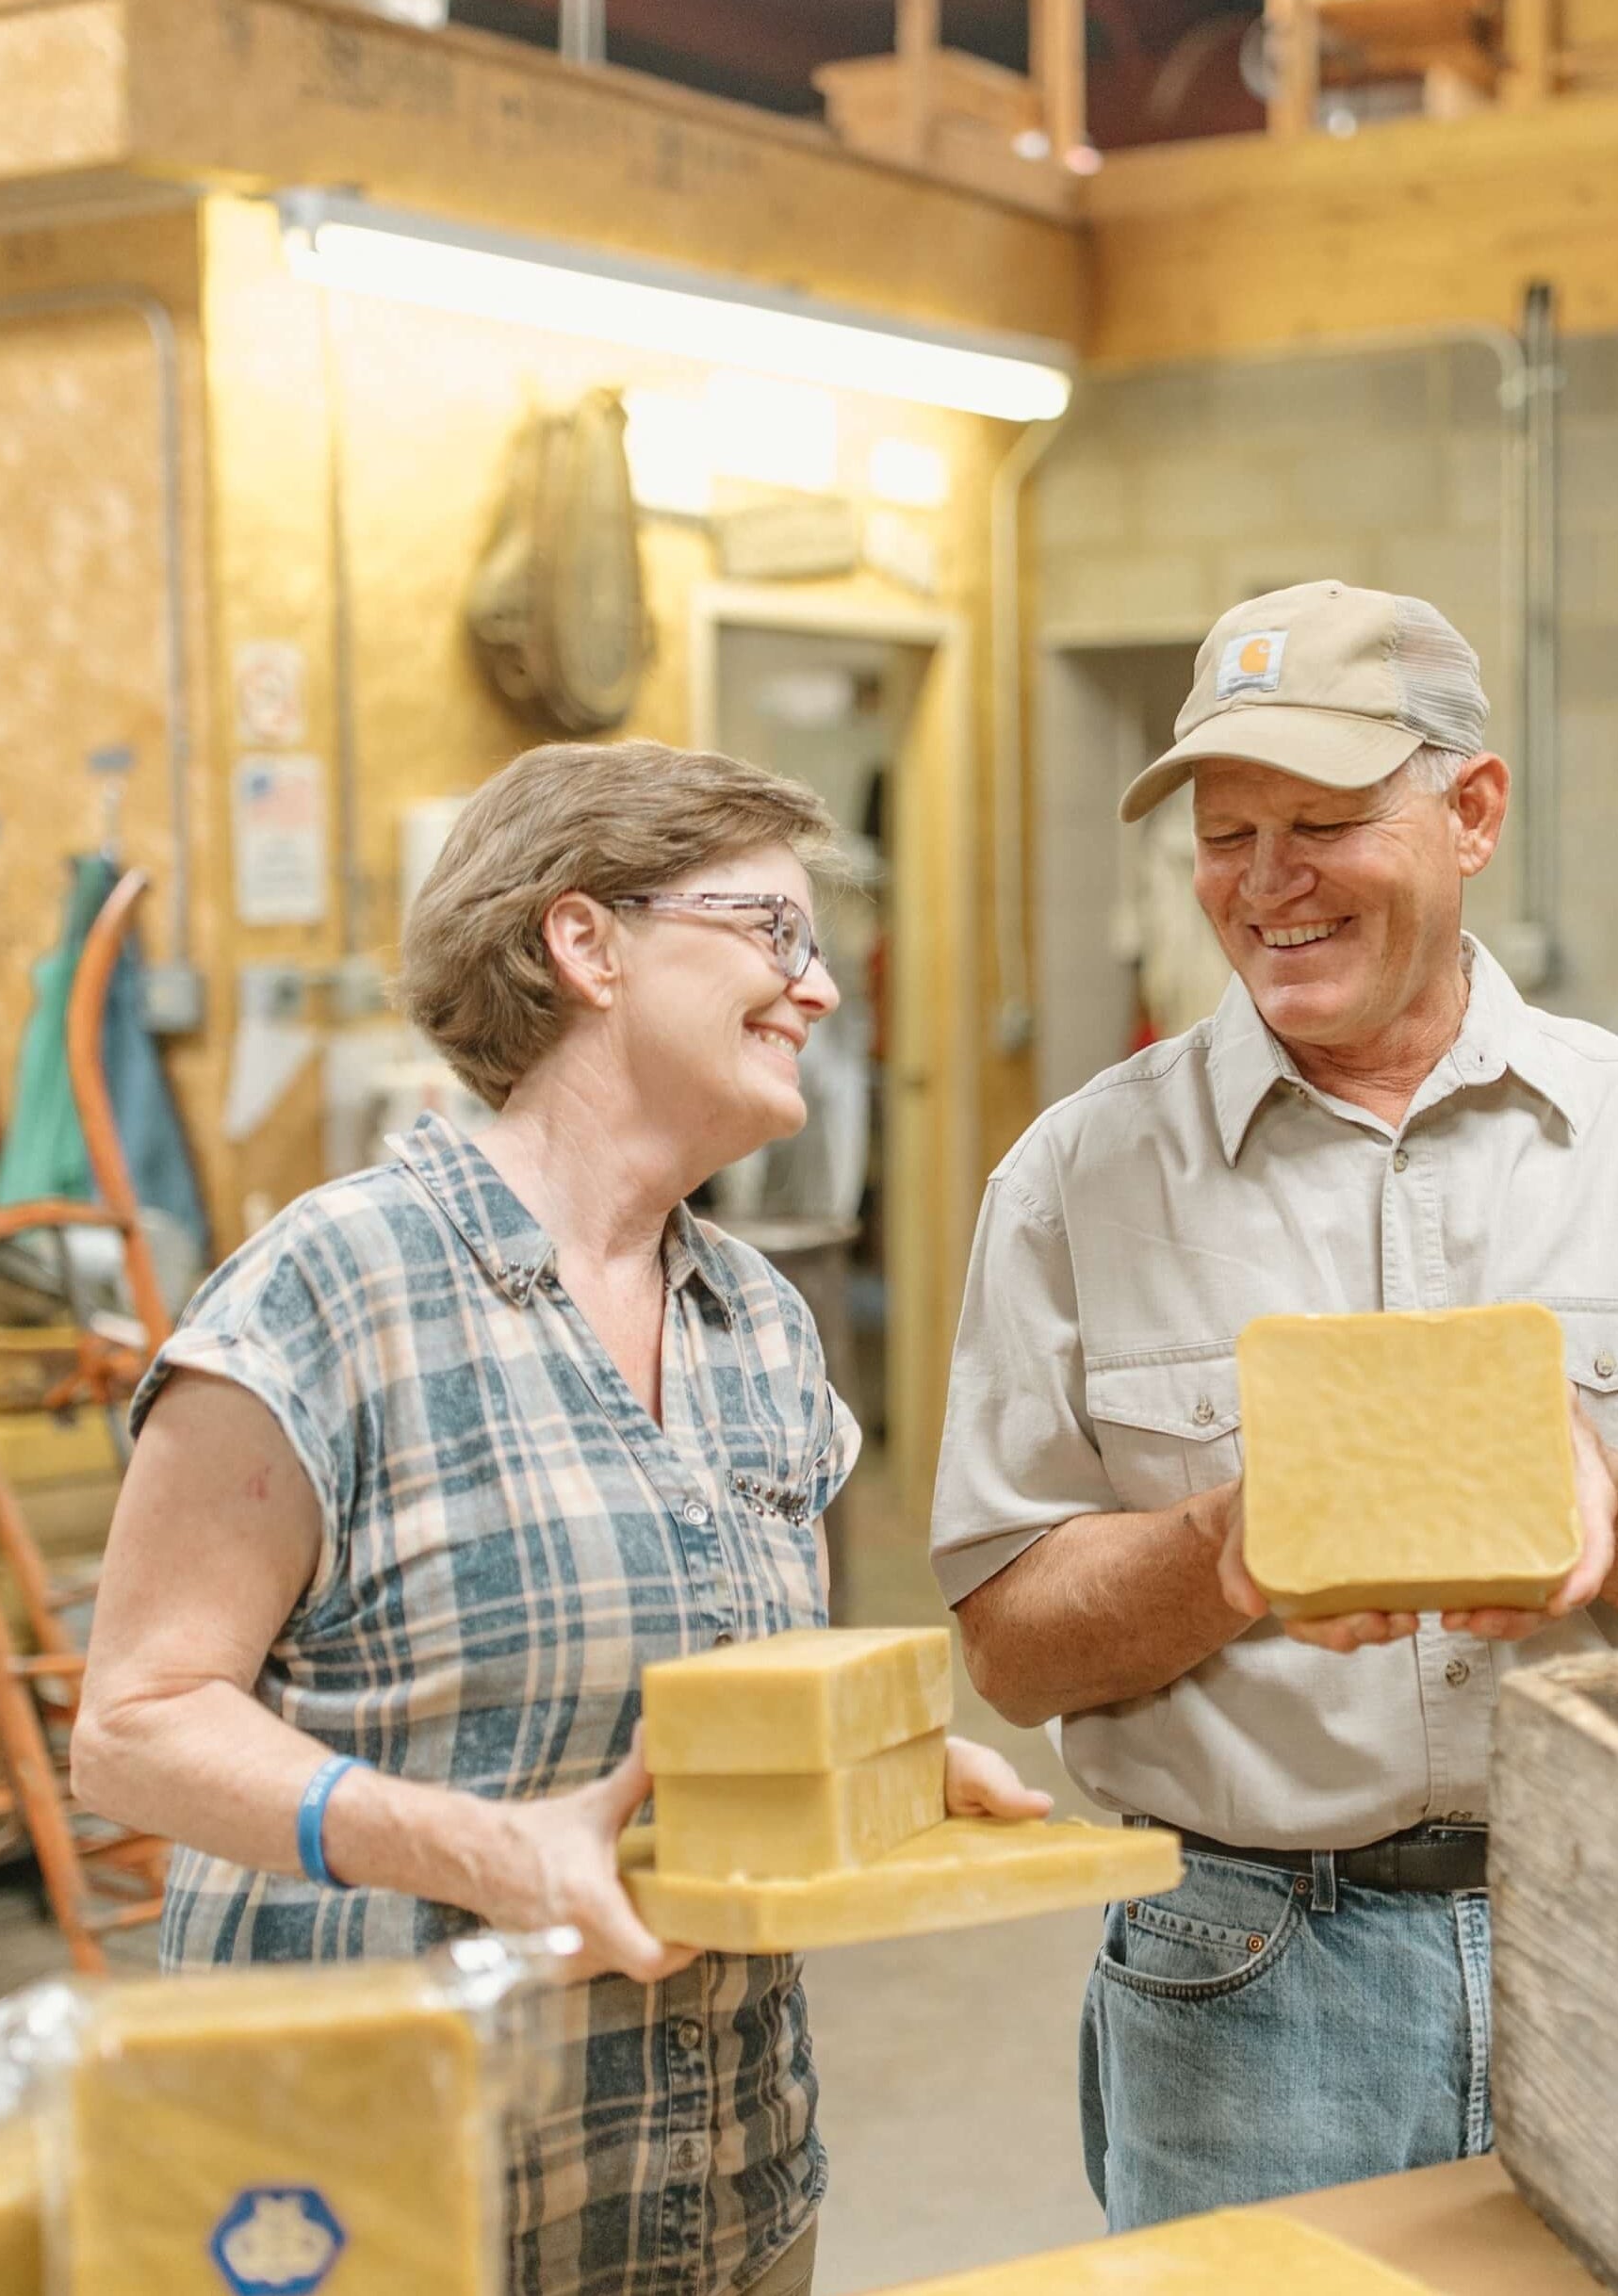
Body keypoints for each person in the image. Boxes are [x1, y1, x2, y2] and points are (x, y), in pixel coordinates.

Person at [929, 582, 1618, 2230]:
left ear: (1471, 811)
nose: (1264, 882)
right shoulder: (1072, 1179)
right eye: (1226, 833)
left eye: (1324, 821)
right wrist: (1229, 1548)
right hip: (1241, 1965)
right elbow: (1009, 1649)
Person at [73, 739, 1048, 2296]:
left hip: (714, 2183)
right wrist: (475, 1848)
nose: (821, 990)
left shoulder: (756, 1326)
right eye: (772, 933)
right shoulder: (333, 1287)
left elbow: (694, 1698)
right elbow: (131, 1723)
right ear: (583, 941)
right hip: (372, 2201)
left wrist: (873, 1767)